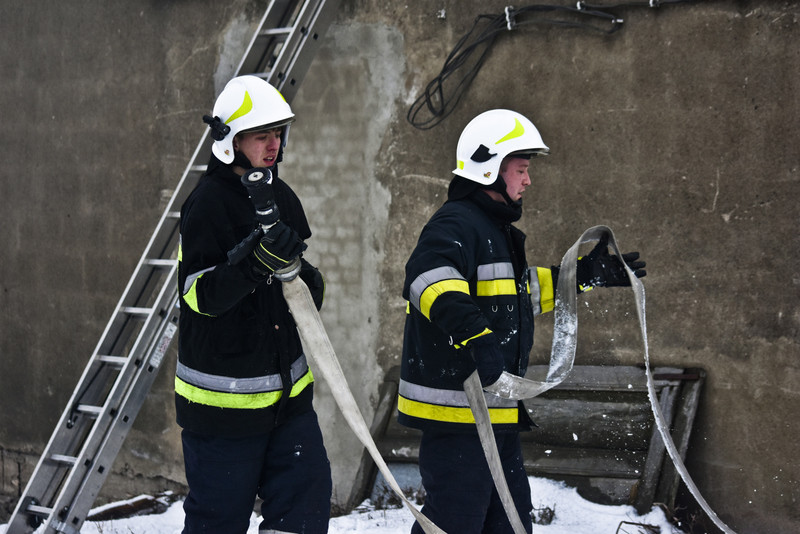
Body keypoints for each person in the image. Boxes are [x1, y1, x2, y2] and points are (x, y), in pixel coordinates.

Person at [398, 109, 646, 534]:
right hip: (461, 417)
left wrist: (583, 276)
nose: (527, 180)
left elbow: (511, 297)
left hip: (495, 411)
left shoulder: (491, 230)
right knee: (456, 521)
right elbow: (427, 279)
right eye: (521, 169)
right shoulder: (456, 223)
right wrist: (476, 336)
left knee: (509, 522)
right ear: (490, 168)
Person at [176, 75, 331, 534]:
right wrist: (254, 263)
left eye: (278, 133)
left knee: (304, 509)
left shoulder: (281, 198)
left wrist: (303, 277)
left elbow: (300, 295)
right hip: (223, 409)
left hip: (289, 403)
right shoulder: (206, 206)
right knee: (217, 523)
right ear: (230, 140)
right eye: (262, 134)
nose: (273, 144)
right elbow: (198, 296)